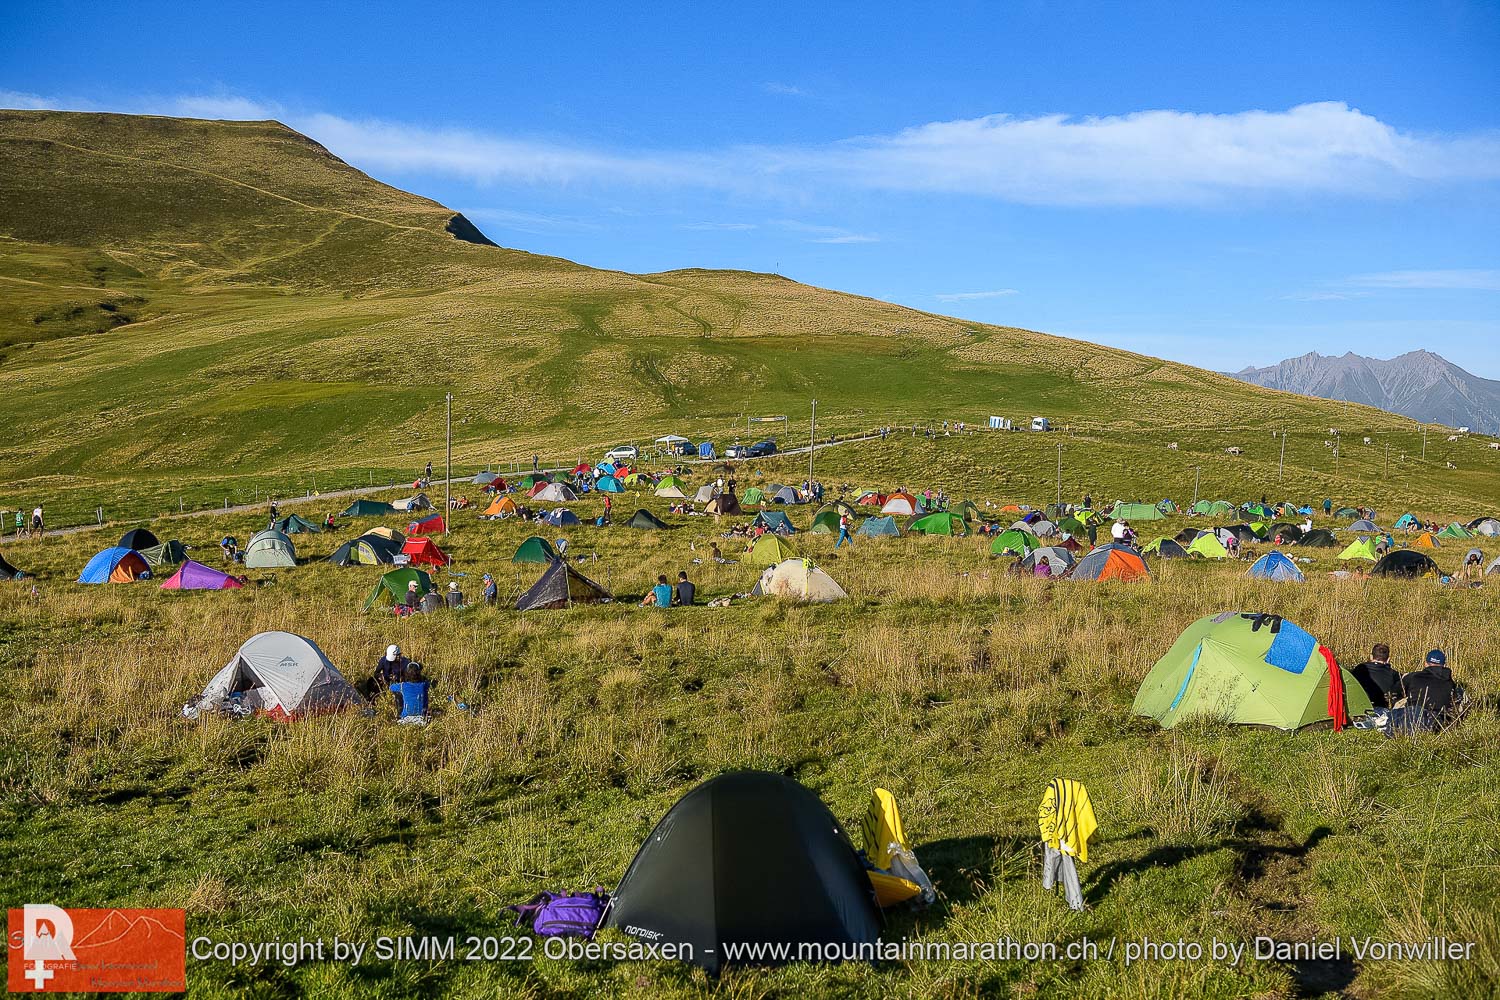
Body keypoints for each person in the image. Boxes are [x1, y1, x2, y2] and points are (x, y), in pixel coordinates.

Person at [1401, 650, 1460, 721]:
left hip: (1413, 717)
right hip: (1440, 720)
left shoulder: (1413, 677)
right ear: (1444, 665)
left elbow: (1395, 692)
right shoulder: (1450, 682)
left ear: (1425, 664)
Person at [1351, 643, 1402, 709]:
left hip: (1362, 707)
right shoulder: (1395, 674)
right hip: (1384, 709)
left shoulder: (1359, 669)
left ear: (1371, 657)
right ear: (1388, 659)